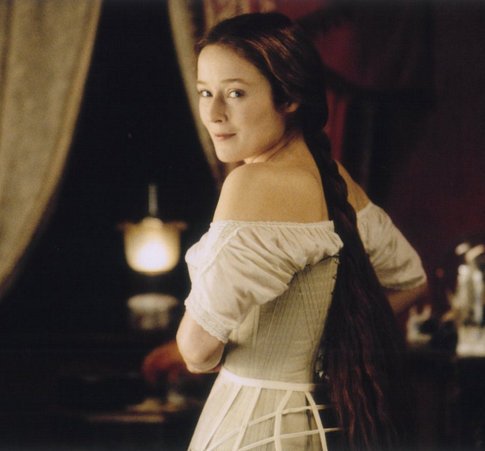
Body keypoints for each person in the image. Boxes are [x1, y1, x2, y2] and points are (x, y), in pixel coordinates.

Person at [147, 12, 427, 450]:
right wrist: (322, 345)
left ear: (289, 97)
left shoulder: (253, 182)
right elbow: (410, 280)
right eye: (205, 92)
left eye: (235, 93)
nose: (214, 114)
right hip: (322, 427)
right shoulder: (332, 176)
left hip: (253, 431)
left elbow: (196, 351)